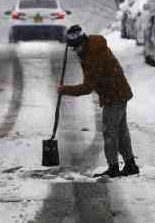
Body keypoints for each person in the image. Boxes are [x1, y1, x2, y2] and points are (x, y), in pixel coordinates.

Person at [58, 25, 140, 178]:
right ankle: (130, 165)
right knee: (121, 132)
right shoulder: (91, 49)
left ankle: (114, 167)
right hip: (118, 92)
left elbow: (88, 87)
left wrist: (65, 90)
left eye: (76, 48)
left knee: (110, 133)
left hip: (114, 94)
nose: (75, 52)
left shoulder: (93, 56)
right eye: (72, 49)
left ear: (82, 43)